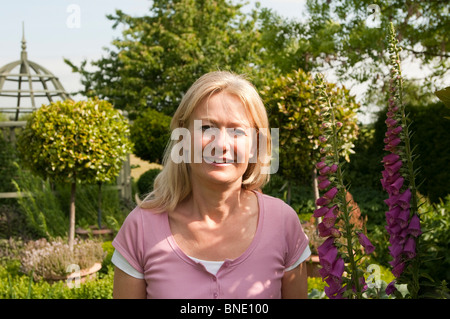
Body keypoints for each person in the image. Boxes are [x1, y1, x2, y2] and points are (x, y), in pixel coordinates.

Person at [111, 71, 311, 299]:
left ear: (256, 144)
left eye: (237, 131)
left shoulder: (283, 223)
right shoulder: (141, 227)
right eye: (207, 128)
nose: (221, 144)